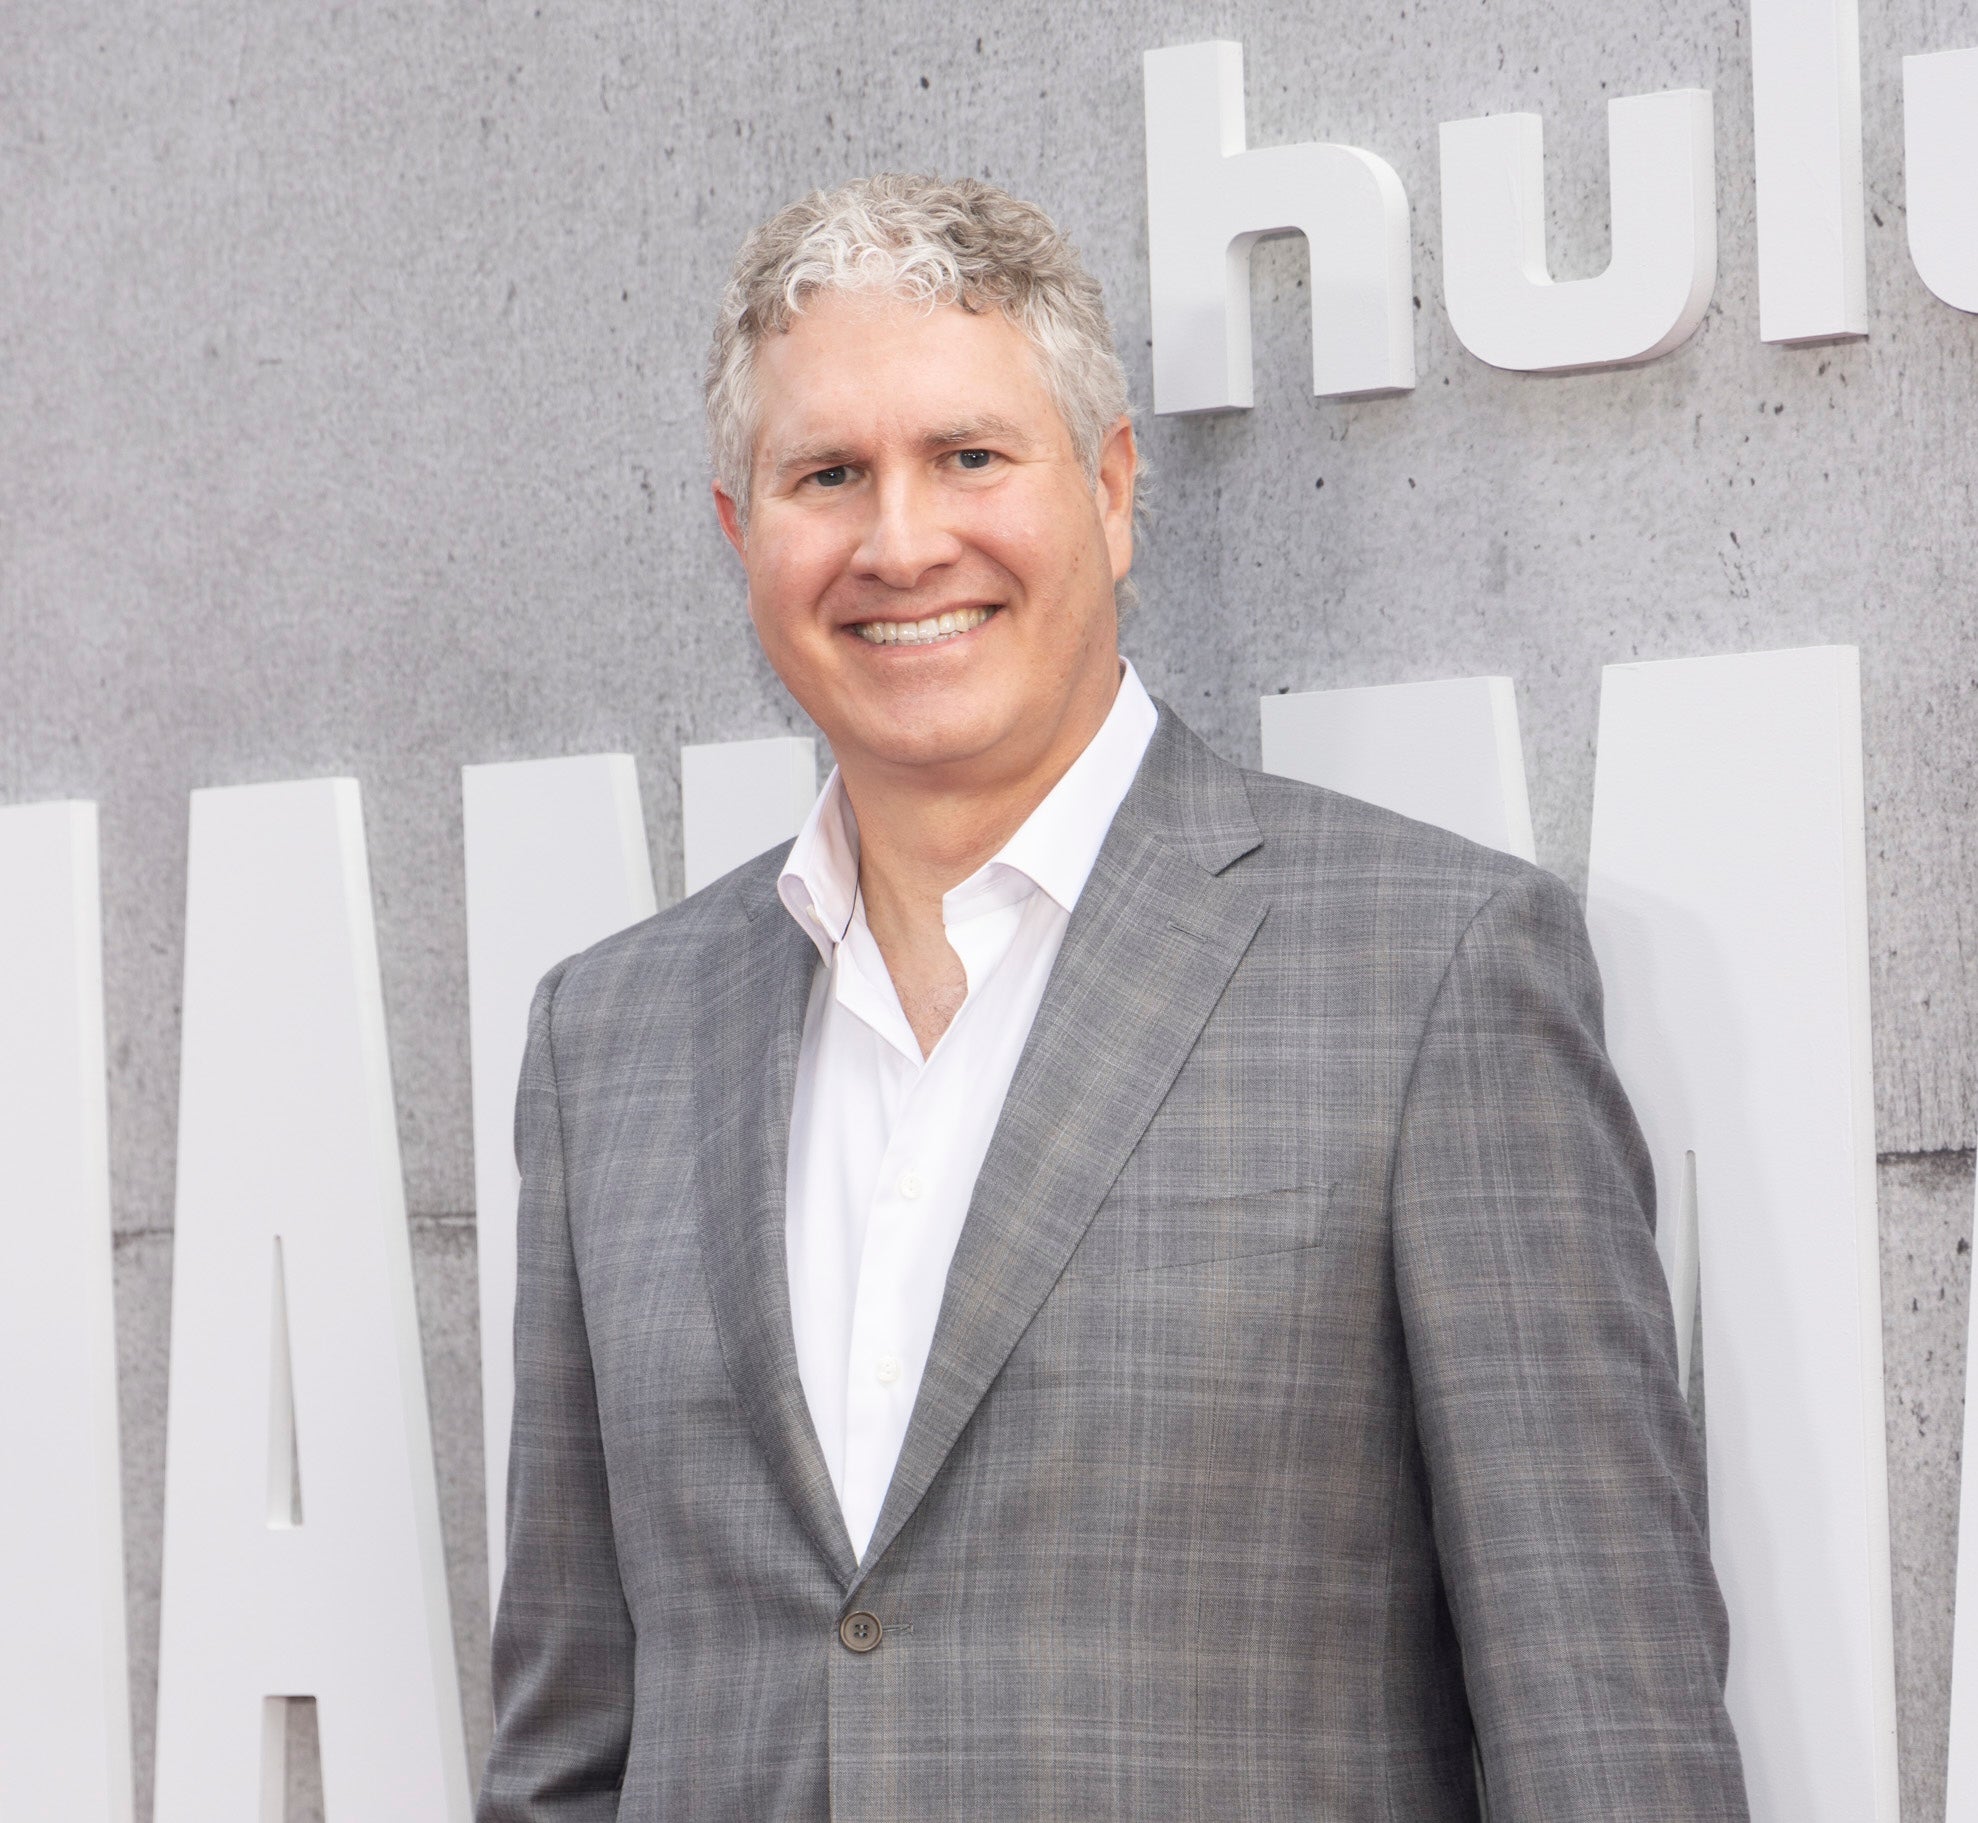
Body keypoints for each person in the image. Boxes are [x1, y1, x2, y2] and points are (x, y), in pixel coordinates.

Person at [478, 173, 1747, 1821]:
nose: (899, 539)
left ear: (1113, 487)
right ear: (742, 536)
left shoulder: (1428, 975)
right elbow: (566, 1752)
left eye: (969, 456)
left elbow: (1609, 1745)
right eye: (826, 475)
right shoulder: (612, 1042)